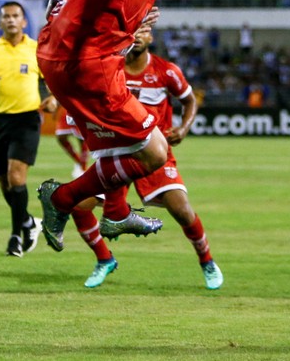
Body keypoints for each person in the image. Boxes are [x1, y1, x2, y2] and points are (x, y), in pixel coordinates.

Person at [36, 0, 177, 252]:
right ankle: (61, 198)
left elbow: (58, 0)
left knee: (110, 147)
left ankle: (115, 213)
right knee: (153, 152)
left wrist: (127, 22)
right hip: (91, 59)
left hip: (54, 52)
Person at [71, 29, 223, 290]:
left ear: (151, 38)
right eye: (134, 31)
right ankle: (104, 259)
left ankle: (207, 261)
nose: (138, 36)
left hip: (156, 153)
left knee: (182, 210)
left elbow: (189, 101)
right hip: (118, 152)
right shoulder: (110, 68)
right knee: (79, 204)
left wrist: (184, 128)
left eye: (144, 32)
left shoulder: (166, 71)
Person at [0, 1, 55, 258]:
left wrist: (54, 100)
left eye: (16, 16)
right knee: (3, 179)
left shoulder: (37, 50)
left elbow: (52, 83)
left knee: (16, 177)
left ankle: (16, 236)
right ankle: (29, 221)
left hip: (27, 119)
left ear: (24, 21)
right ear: (0, 22)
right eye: (6, 16)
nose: (11, 20)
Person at [54, 103, 89, 178]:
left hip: (80, 106)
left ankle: (83, 168)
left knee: (82, 139)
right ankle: (78, 161)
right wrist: (56, 109)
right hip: (66, 107)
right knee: (60, 137)